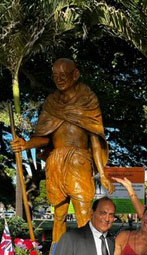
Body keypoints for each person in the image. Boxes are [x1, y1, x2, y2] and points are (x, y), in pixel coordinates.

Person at [11, 58, 114, 244]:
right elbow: (45, 138)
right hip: (56, 162)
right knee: (59, 215)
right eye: (55, 76)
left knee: (83, 214)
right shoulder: (51, 103)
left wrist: (102, 173)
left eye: (63, 75)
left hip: (79, 161)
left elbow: (95, 140)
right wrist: (25, 144)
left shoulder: (88, 100)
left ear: (75, 75)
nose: (59, 79)